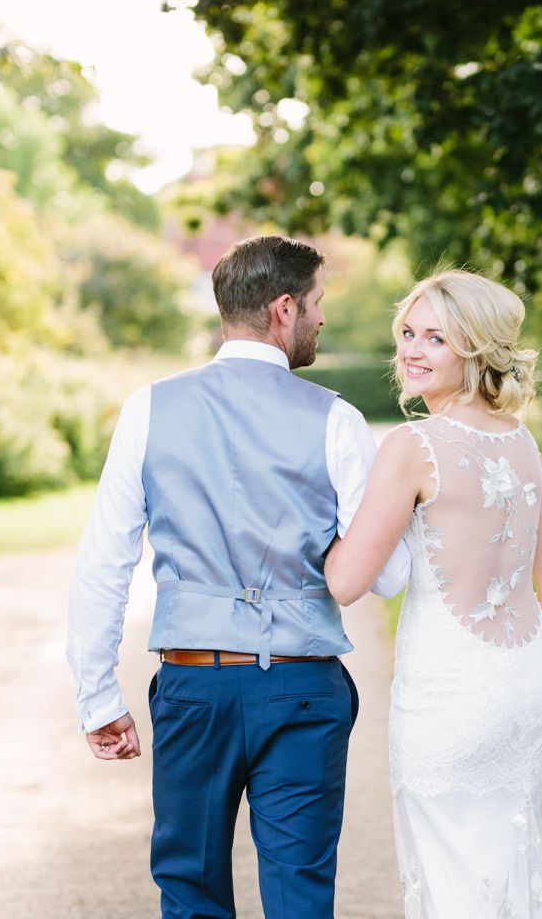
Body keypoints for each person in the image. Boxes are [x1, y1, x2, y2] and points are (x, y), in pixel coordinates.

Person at [66, 235, 410, 919]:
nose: (321, 319)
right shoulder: (336, 420)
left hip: (195, 685)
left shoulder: (148, 409)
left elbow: (105, 561)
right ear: (283, 309)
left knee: (190, 894)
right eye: (317, 304)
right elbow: (390, 577)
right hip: (302, 687)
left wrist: (97, 693)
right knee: (299, 898)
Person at [325, 269, 542, 917]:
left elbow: (348, 580)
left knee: (453, 880)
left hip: (452, 695)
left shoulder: (413, 445)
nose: (410, 349)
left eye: (434, 338)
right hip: (530, 684)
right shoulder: (524, 443)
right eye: (407, 332)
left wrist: (309, 522)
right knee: (511, 872)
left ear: (475, 349)